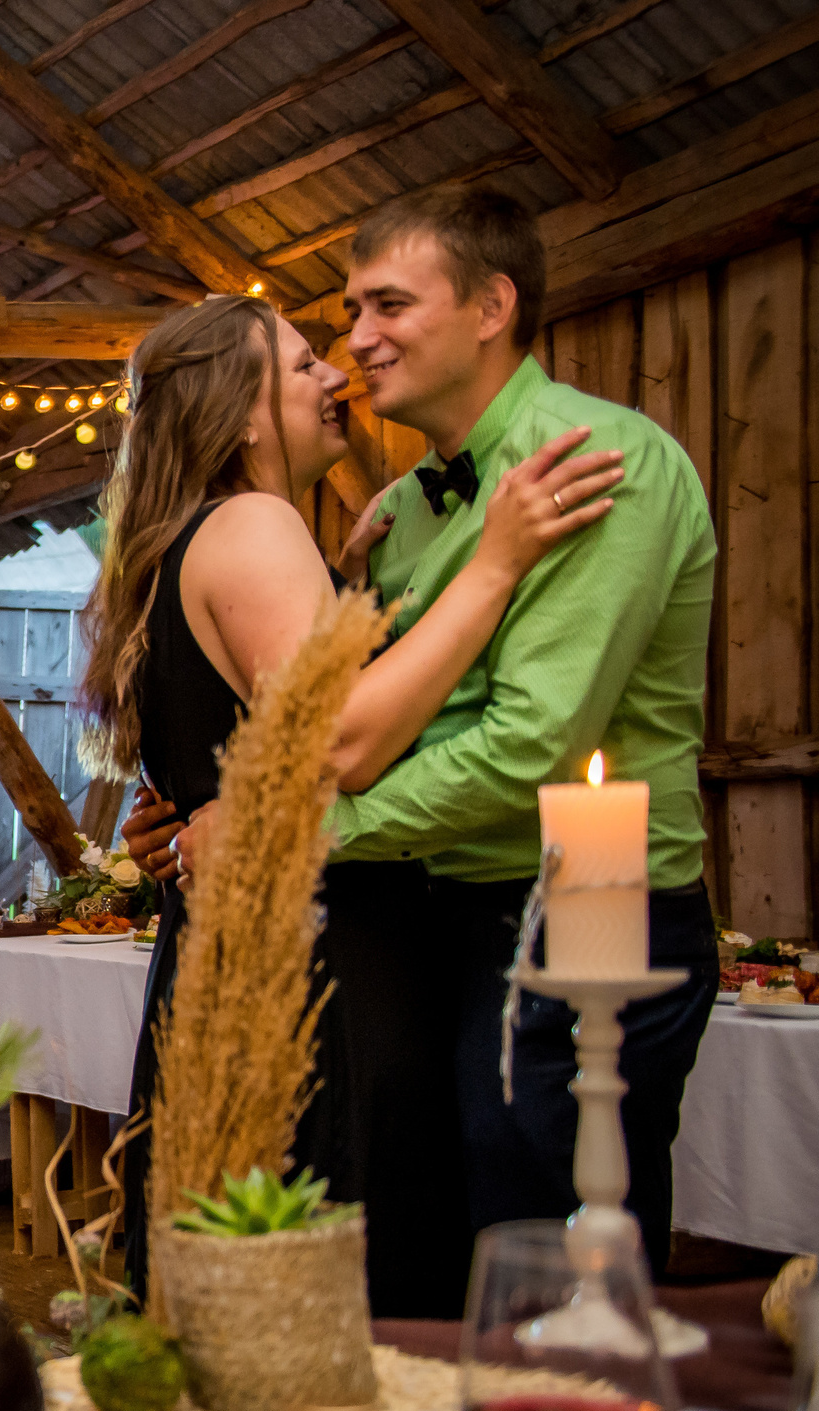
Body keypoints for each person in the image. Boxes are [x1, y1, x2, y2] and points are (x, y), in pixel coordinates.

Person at [84, 291, 621, 1314]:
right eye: (300, 364)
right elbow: (346, 741)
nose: (336, 376)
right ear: (239, 411)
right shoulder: (251, 523)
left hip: (230, 950)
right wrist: (497, 560)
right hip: (322, 963)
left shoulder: (183, 545)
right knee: (337, 1289)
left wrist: (341, 590)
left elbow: (247, 740)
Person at [313, 187, 714, 1279]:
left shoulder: (595, 463)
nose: (356, 339)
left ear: (492, 305)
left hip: (582, 905)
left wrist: (314, 830)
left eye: (389, 304)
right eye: (350, 310)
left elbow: (532, 745)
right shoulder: (404, 510)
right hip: (437, 908)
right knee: (434, 1241)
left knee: (548, 1247)